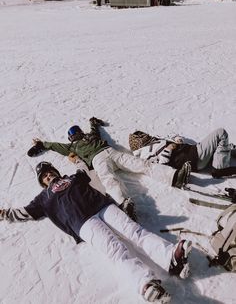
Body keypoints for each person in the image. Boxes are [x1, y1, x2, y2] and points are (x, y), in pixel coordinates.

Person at [0, 162, 192, 303]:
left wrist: (77, 161)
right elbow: (25, 212)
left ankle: (170, 257)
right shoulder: (43, 198)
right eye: (45, 176)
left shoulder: (72, 177)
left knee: (135, 232)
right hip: (82, 223)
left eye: (50, 172)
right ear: (43, 182)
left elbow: (85, 169)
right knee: (116, 251)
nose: (49, 176)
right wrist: (5, 213)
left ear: (56, 171)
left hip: (102, 206)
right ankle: (146, 284)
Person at [27, 117, 191, 221]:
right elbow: (55, 146)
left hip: (110, 152)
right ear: (72, 137)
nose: (76, 135)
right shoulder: (72, 147)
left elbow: (93, 129)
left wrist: (93, 122)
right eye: (74, 134)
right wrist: (42, 144)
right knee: (109, 180)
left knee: (140, 165)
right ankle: (123, 205)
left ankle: (174, 177)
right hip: (99, 159)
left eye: (77, 133)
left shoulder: (90, 137)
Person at [129, 128, 236, 178]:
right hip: (194, 157)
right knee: (221, 133)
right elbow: (160, 167)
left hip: (192, 151)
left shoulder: (154, 140)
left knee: (219, 145)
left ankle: (228, 153)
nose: (143, 135)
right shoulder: (145, 154)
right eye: (140, 136)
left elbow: (171, 136)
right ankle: (220, 169)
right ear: (138, 144)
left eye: (141, 133)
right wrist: (168, 150)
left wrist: (177, 139)